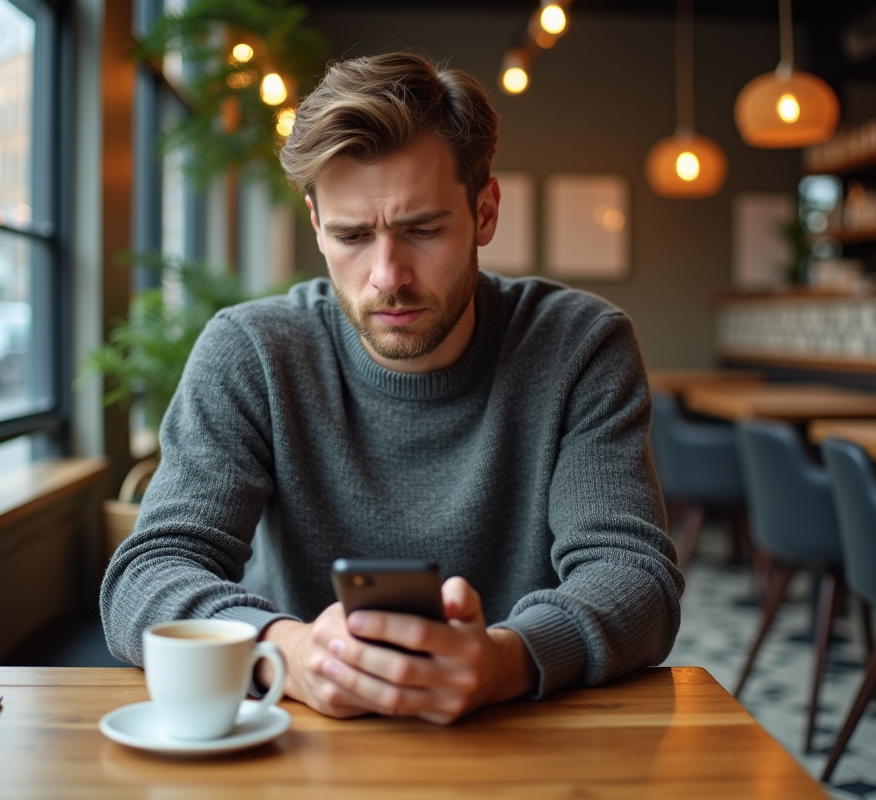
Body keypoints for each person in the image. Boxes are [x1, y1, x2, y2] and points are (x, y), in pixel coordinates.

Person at [101, 52, 683, 725]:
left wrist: (505, 659)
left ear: (485, 212)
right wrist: (288, 651)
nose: (387, 275)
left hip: (517, 740)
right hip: (302, 740)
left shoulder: (580, 344)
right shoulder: (252, 351)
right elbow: (147, 573)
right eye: (352, 235)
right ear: (316, 225)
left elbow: (636, 577)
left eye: (422, 231)